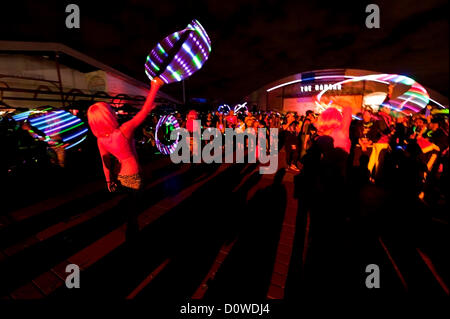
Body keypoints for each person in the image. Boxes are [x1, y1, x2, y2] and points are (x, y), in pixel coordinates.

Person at [87, 77, 163, 240]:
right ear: (108, 116)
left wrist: (109, 182)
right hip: (134, 173)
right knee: (135, 205)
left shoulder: (101, 140)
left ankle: (130, 226)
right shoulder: (124, 130)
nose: (113, 112)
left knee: (131, 202)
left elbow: (104, 162)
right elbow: (143, 111)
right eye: (110, 111)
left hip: (121, 175)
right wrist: (155, 87)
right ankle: (132, 232)